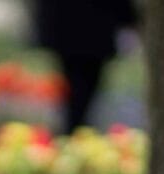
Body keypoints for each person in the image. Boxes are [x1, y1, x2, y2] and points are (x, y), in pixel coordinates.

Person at [34, 0, 137, 132]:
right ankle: (75, 132)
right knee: (81, 92)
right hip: (95, 29)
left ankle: (74, 130)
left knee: (74, 91)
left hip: (65, 27)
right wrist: (129, 19)